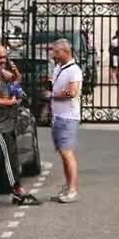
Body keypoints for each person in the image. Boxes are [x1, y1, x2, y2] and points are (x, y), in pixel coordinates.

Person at [0, 44, 40, 205]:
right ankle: (18, 191)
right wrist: (11, 102)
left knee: (12, 158)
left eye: (5, 57)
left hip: (8, 123)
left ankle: (12, 190)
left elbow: (14, 79)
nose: (3, 60)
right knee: (8, 160)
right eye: (0, 57)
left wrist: (13, 69)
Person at [50, 38, 83, 204]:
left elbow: (73, 92)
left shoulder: (74, 70)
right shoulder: (58, 68)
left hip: (68, 117)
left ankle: (73, 189)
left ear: (65, 52)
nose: (54, 55)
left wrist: (54, 95)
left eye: (57, 52)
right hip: (57, 116)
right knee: (63, 154)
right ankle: (67, 185)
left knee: (67, 153)